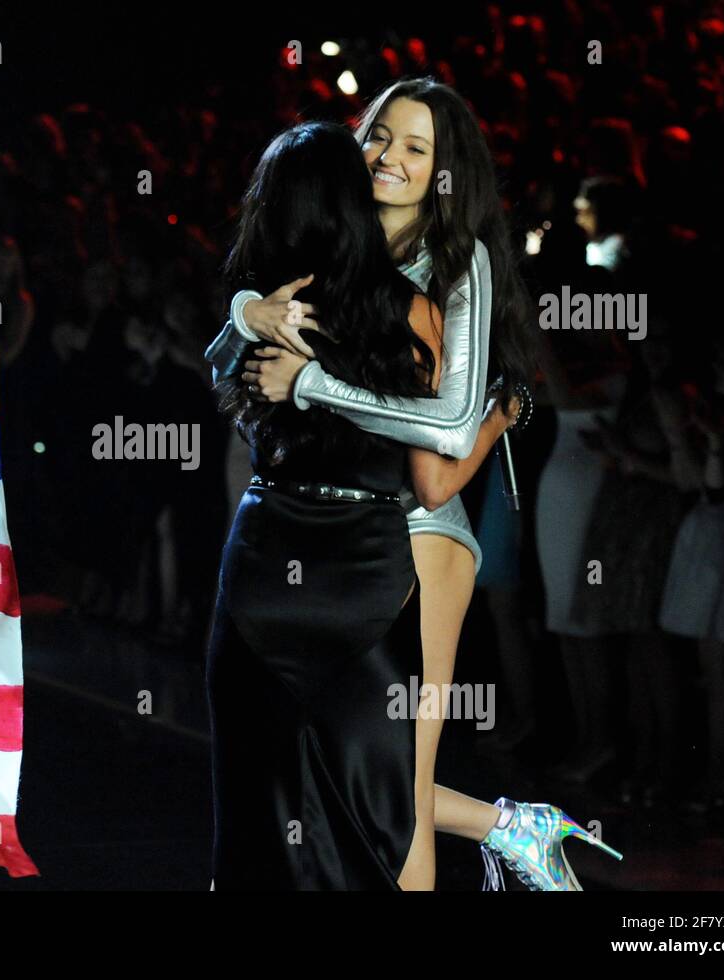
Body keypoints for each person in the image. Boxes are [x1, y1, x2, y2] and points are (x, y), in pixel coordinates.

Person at [209, 78, 620, 890]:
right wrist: (245, 310)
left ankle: (513, 828)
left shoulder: (457, 267)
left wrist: (311, 385)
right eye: (379, 137)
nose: (389, 157)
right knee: (346, 774)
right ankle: (514, 826)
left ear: (444, 173)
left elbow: (441, 447)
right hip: (335, 537)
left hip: (421, 532)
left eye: (416, 148)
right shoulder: (334, 247)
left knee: (393, 780)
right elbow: (233, 367)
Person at [206, 119, 444, 889]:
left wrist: (253, 325)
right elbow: (436, 445)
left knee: (257, 802)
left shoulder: (265, 302)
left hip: (267, 556)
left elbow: (224, 391)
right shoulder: (409, 310)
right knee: (375, 803)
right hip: (363, 569)